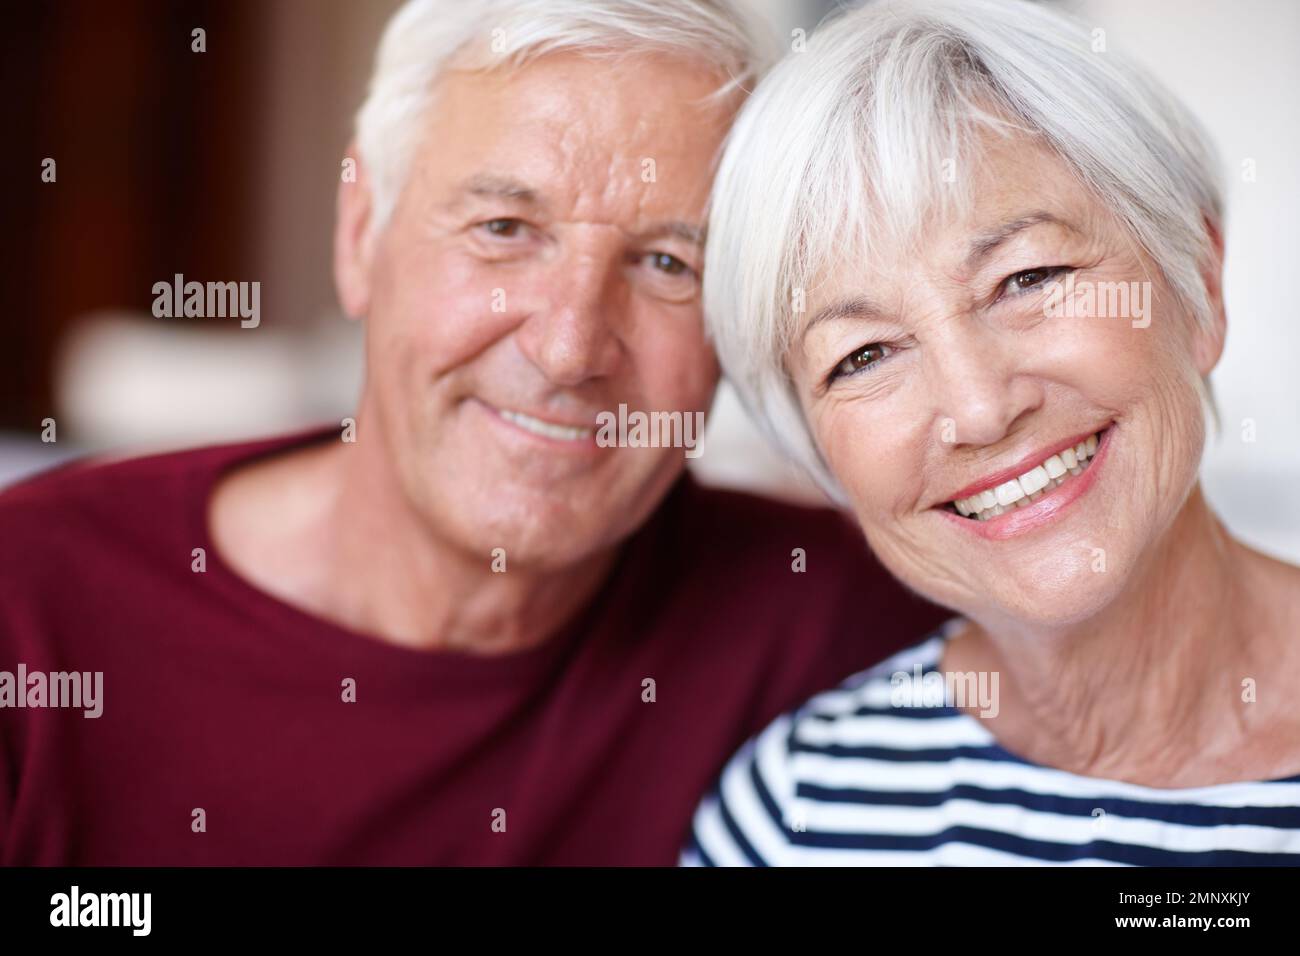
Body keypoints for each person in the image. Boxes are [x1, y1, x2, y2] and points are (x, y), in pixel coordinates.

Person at [0, 0, 942, 866]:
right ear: (360, 230)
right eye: (504, 227)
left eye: (666, 261)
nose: (571, 348)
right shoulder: (32, 611)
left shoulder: (843, 623)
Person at [686, 0, 1300, 865]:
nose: (979, 408)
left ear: (1198, 282)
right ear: (817, 450)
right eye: (862, 357)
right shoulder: (791, 816)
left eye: (1027, 277)